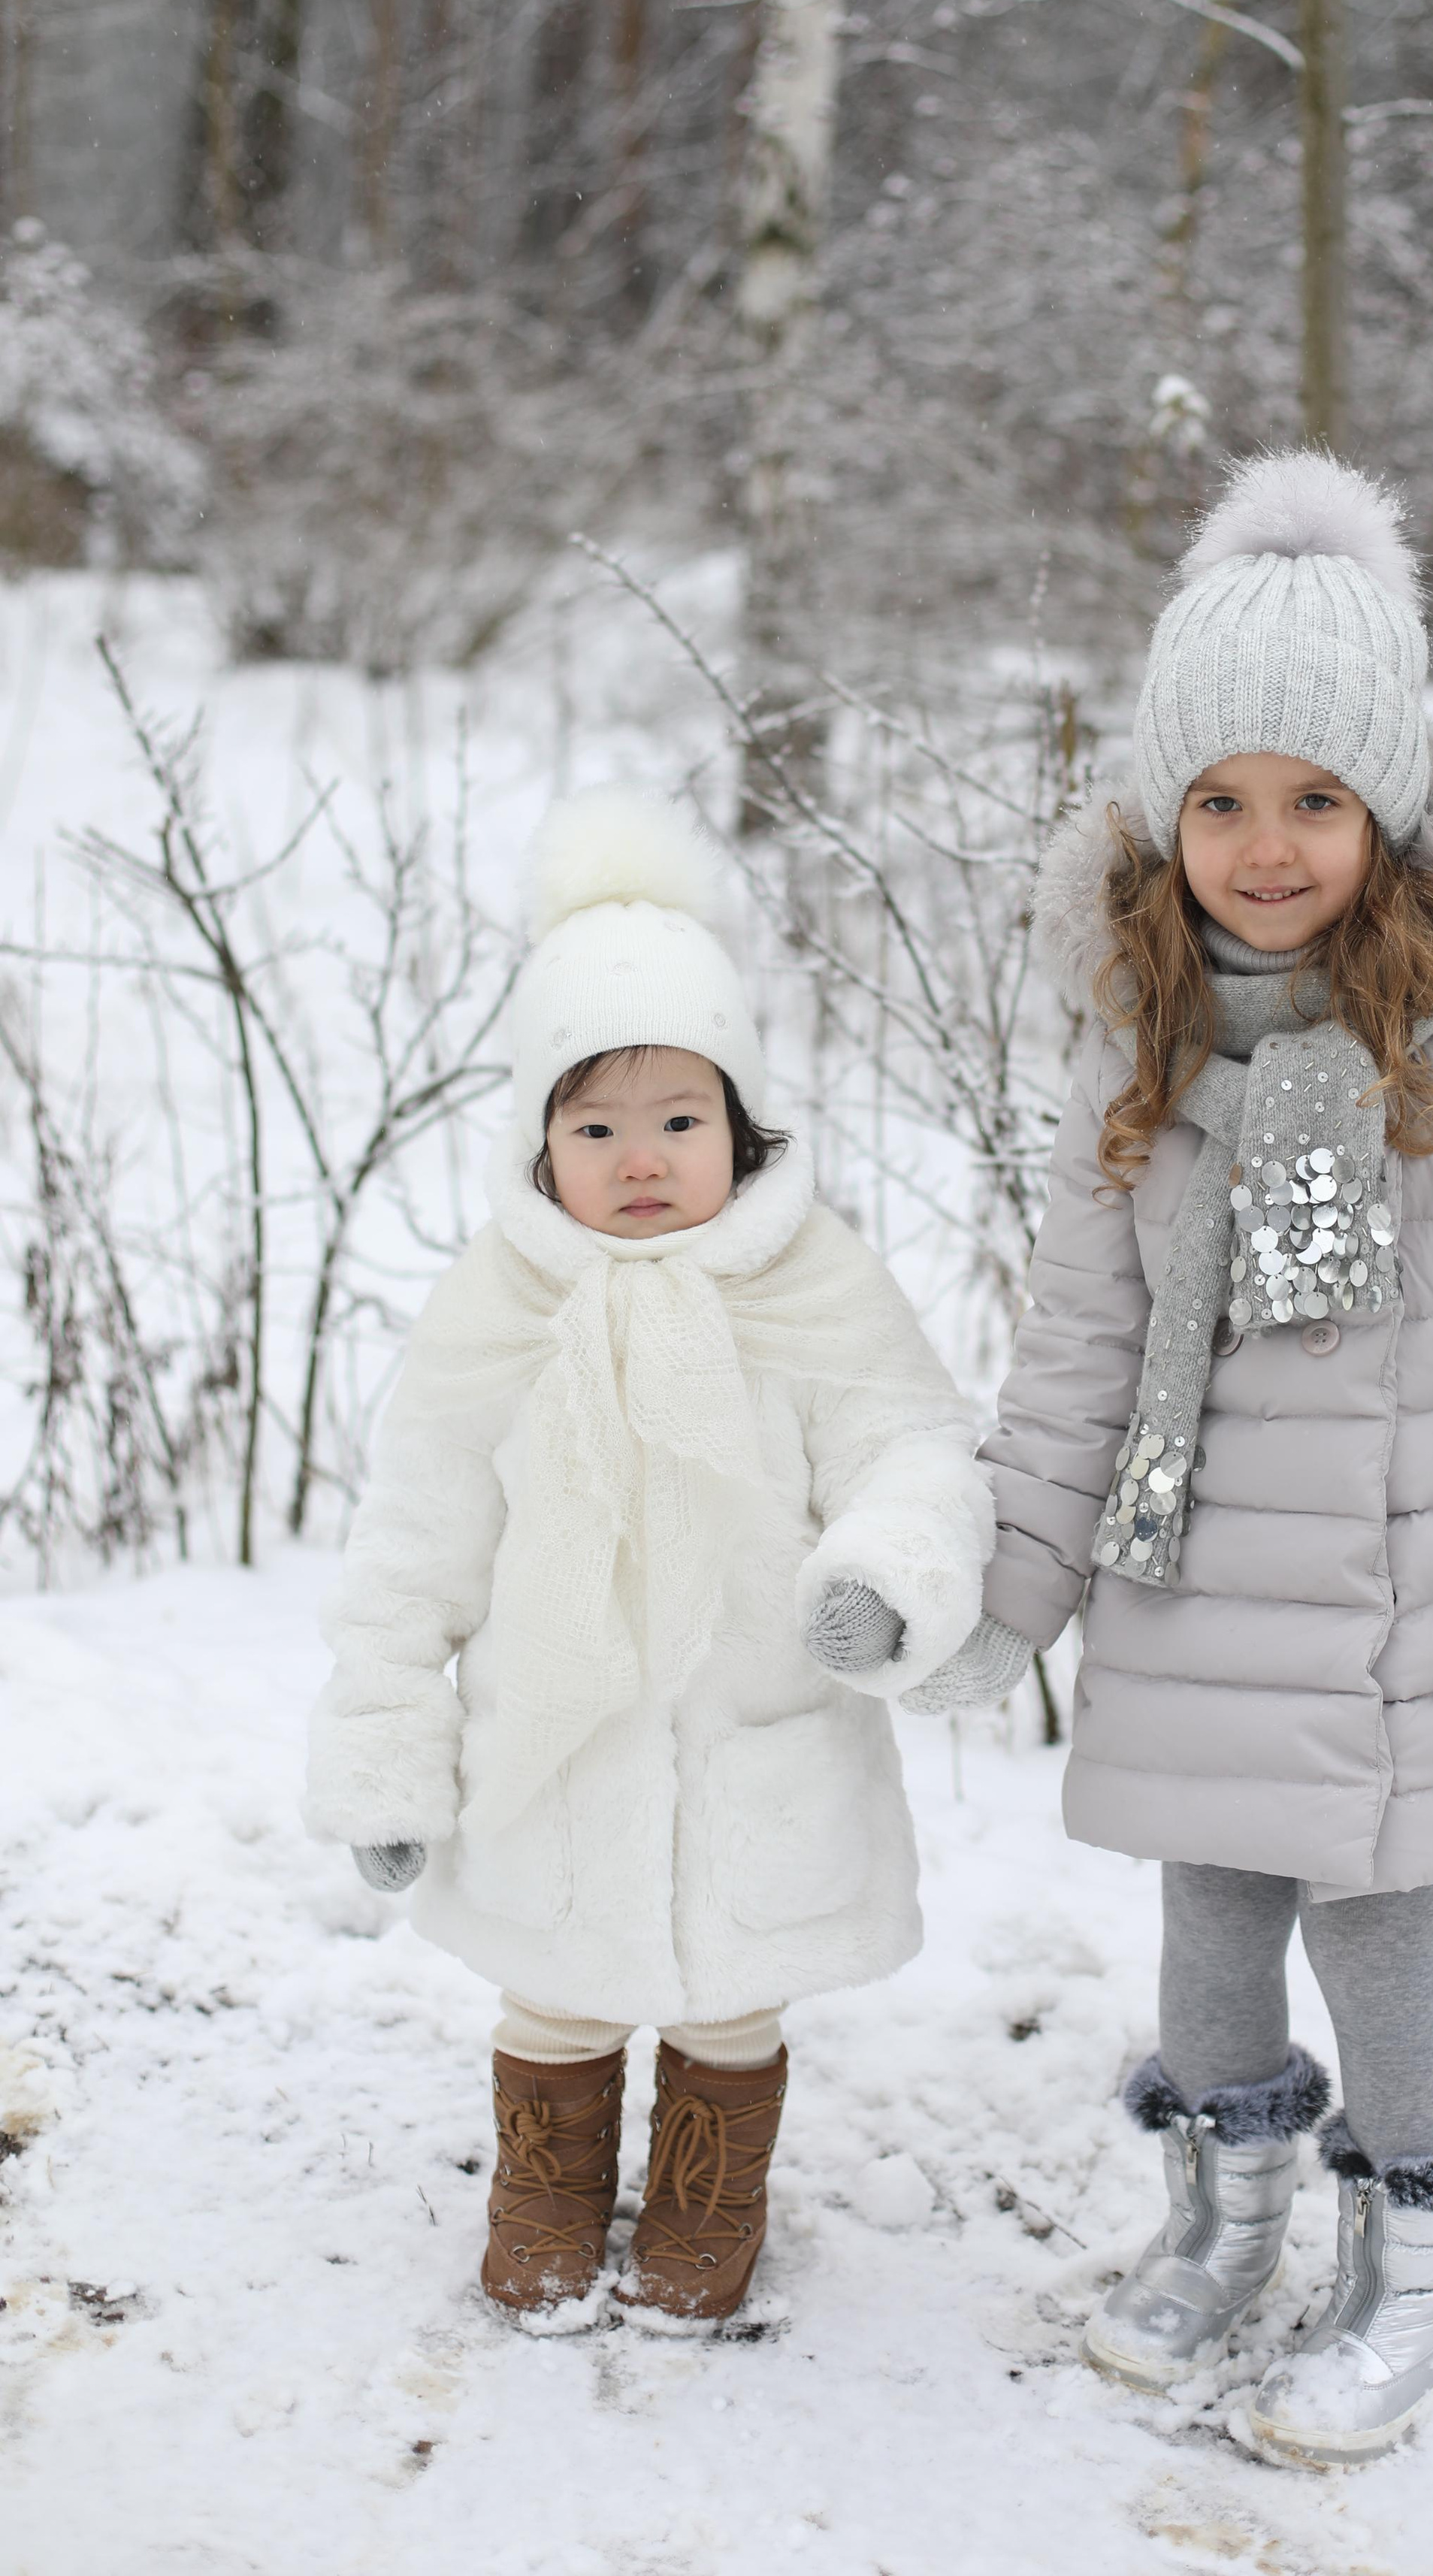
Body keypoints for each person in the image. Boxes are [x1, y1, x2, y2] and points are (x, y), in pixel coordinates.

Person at [927, 449, 1433, 2464]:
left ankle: (1414, 2258)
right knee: (1205, 1934)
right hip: (1190, 1598)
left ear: (1385, 817)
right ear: (1168, 818)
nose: (1268, 849)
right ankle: (1224, 2218)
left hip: (1399, 1629)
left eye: (1316, 802)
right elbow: (1078, 1353)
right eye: (1224, 801)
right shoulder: (1144, 1064)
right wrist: (1007, 1593)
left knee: (1375, 1938)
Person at [305, 786, 989, 2323]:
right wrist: (384, 1756)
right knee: (551, 1988)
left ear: (740, 1125)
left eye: (678, 1120)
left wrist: (885, 1569)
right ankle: (545, 2175)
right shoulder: (498, 1304)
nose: (638, 1160)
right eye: (594, 1124)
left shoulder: (812, 1281)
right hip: (559, 1742)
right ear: (540, 1142)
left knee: (732, 1996)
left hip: (760, 1734)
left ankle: (706, 2184)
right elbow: (413, 1539)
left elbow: (910, 1442)